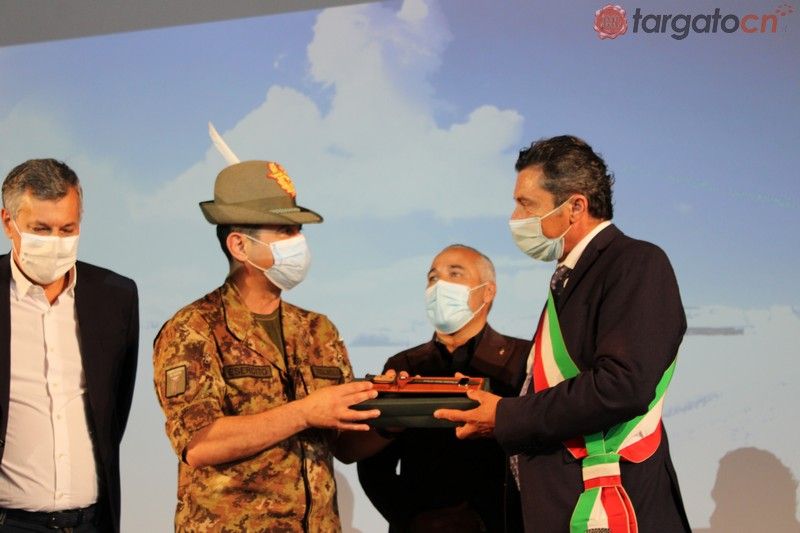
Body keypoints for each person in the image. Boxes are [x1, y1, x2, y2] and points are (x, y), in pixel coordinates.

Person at [435, 136, 692, 532]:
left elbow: (622, 385)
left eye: (526, 204)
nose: (515, 217)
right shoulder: (570, 278)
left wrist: (505, 415)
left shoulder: (636, 262)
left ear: (575, 207)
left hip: (611, 507)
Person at [153, 157, 387, 531]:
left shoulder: (318, 330)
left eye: (298, 231)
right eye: (285, 231)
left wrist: (394, 417)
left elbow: (343, 446)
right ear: (239, 245)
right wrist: (304, 413)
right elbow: (199, 444)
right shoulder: (194, 327)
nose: (299, 243)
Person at [0, 159, 139, 532]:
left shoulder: (116, 296)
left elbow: (114, 408)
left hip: (90, 521)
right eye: (40, 229)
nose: (55, 242)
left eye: (67, 229)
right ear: (8, 222)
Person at [358, 244, 529, 533]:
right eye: (433, 278)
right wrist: (411, 519)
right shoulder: (404, 365)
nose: (439, 286)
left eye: (455, 274)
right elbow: (374, 465)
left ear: (488, 291)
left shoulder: (522, 359)